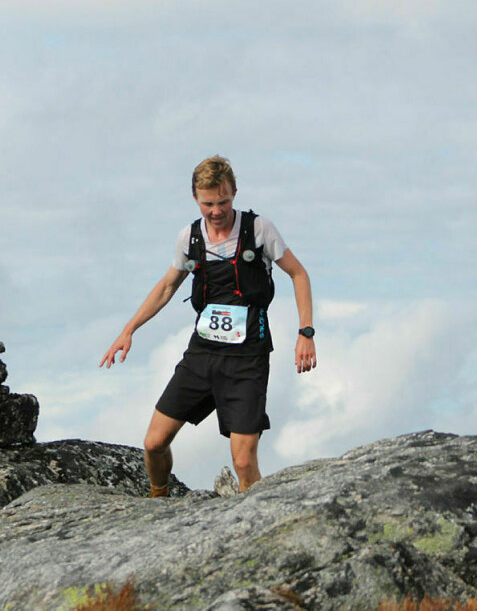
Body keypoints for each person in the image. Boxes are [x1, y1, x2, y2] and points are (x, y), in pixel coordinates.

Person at [100, 155, 316, 496]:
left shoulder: (258, 229)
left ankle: (254, 526)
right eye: (208, 203)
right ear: (195, 198)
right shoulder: (190, 237)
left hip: (248, 358)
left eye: (224, 201)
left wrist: (306, 332)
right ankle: (159, 501)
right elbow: (167, 286)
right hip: (202, 354)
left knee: (243, 462)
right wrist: (129, 330)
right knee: (154, 443)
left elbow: (298, 274)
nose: (217, 211)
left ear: (234, 194)